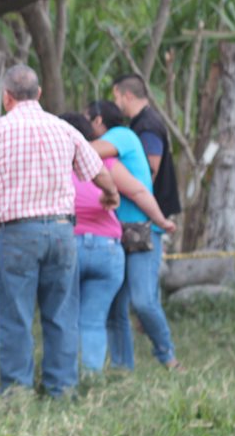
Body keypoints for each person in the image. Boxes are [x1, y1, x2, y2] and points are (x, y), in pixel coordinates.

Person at [0, 65, 119, 399]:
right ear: (38, 94)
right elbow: (95, 169)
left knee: (15, 315)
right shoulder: (63, 129)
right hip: (63, 233)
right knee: (62, 313)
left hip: (18, 233)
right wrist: (111, 194)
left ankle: (17, 391)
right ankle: (61, 389)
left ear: (6, 97)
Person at [61, 111, 173, 373]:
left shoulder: (57, 164)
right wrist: (162, 220)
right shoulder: (107, 164)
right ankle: (98, 372)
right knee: (98, 318)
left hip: (73, 245)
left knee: (69, 317)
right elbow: (137, 190)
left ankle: (67, 374)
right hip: (109, 248)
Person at [87, 100, 181, 370]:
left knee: (143, 301)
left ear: (98, 121)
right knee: (117, 306)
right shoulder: (108, 156)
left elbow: (87, 150)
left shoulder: (121, 136)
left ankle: (168, 357)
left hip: (143, 232)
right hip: (117, 234)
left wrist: (63, 140)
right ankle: (122, 365)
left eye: (87, 120)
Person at [109, 74, 181, 219]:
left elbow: (150, 171)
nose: (115, 104)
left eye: (116, 98)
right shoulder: (139, 122)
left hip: (149, 215)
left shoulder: (148, 125)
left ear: (128, 96)